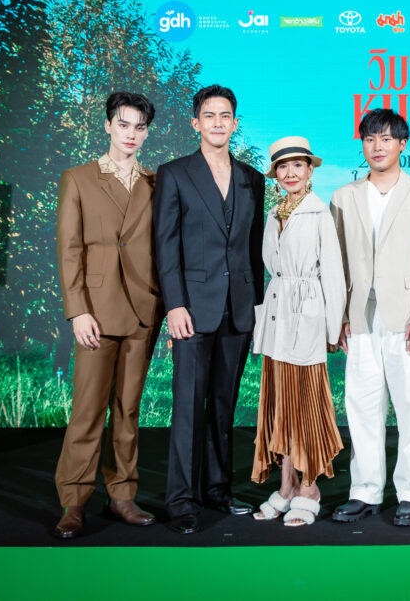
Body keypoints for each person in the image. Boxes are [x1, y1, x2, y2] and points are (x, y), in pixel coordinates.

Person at [52, 91, 164, 539]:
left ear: (146, 133)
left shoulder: (157, 183)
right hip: (95, 313)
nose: (131, 134)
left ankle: (121, 495)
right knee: (87, 411)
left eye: (139, 127)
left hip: (142, 310)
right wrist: (78, 310)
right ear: (108, 125)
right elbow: (69, 250)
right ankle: (74, 501)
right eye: (123, 124)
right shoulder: (78, 178)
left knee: (128, 410)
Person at [154, 84, 265, 535]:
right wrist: (174, 304)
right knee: (187, 408)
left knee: (223, 406)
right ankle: (181, 501)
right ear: (195, 122)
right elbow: (165, 246)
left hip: (238, 309)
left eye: (225, 116)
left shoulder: (252, 178)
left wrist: (257, 309)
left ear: (235, 124)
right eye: (209, 115)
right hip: (192, 310)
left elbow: (254, 249)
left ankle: (217, 491)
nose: (217, 122)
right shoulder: (174, 173)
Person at [329, 109, 410, 527]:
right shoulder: (343, 197)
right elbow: (337, 263)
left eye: (386, 139)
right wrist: (340, 315)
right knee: (361, 406)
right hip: (360, 316)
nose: (377, 146)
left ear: (402, 144)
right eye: (369, 139)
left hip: (409, 317)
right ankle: (365, 491)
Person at [250, 137, 346, 527]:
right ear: (275, 174)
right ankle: (287, 485)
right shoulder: (274, 213)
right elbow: (272, 267)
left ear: (310, 170)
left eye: (298, 165)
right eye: (283, 167)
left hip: (306, 319)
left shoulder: (319, 213)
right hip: (277, 320)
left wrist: (332, 327)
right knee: (281, 406)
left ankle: (309, 489)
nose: (290, 173)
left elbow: (334, 274)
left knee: (305, 404)